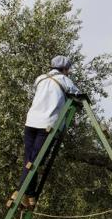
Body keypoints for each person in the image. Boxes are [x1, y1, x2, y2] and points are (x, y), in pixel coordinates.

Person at [9, 55, 80, 208]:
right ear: (65, 69)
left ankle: (30, 194)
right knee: (36, 161)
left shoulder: (40, 78)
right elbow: (79, 95)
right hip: (46, 124)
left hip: (31, 122)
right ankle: (20, 191)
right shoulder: (65, 80)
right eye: (68, 70)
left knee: (29, 160)